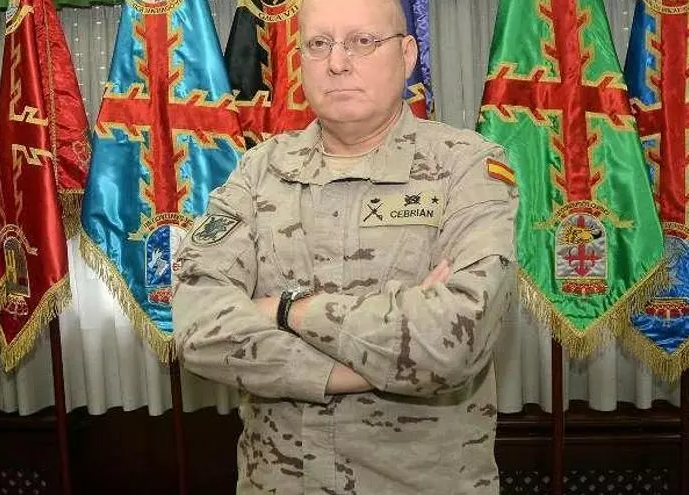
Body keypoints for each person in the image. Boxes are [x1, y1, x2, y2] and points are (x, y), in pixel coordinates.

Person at [172, 0, 517, 492]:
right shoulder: (259, 170)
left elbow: (454, 340)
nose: (337, 62)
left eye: (362, 41)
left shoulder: (466, 167)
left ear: (407, 54)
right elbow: (197, 327)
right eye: (318, 44)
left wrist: (286, 310)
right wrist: (367, 367)